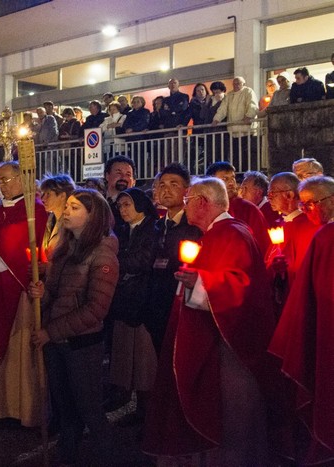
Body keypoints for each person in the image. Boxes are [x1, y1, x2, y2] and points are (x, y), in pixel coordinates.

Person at [143, 177, 274, 466]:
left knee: (232, 415)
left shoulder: (232, 233)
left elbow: (241, 286)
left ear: (202, 202)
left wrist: (201, 281)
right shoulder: (215, 234)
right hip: (214, 338)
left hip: (230, 346)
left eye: (188, 200)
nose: (185, 206)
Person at [27, 188, 119, 466]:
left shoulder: (103, 255)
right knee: (64, 406)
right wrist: (42, 294)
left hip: (81, 344)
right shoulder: (64, 251)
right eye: (67, 206)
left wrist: (50, 332)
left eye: (75, 208)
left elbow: (95, 309)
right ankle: (67, 454)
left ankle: (108, 457)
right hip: (56, 342)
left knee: (89, 408)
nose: (66, 211)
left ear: (93, 216)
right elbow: (57, 293)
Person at [0, 161, 48, 427]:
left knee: (16, 349)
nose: (0, 185)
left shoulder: (35, 210)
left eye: (5, 180)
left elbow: (16, 242)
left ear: (21, 179)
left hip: (16, 288)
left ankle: (15, 407)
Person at [268, 194, 334, 465]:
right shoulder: (320, 233)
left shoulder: (326, 236)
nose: (306, 209)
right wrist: (281, 273)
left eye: (310, 203)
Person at [107, 188, 158, 424]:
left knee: (143, 357)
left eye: (127, 204)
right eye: (120, 206)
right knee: (124, 351)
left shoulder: (151, 229)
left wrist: (116, 262)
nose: (122, 210)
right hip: (125, 299)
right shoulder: (123, 230)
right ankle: (123, 394)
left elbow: (142, 260)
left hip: (142, 300)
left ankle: (145, 407)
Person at [146, 164, 202, 352]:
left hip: (181, 303)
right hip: (156, 306)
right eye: (162, 185)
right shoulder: (157, 225)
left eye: (174, 184)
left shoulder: (194, 226)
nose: (166, 190)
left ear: (187, 190)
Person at [265, 172, 321, 296]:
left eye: (272, 193)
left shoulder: (307, 225)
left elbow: (304, 269)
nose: (269, 198)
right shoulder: (284, 223)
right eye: (268, 194)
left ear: (289, 195)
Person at [206, 161, 270, 257]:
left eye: (233, 178)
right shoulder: (204, 208)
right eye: (225, 179)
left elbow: (263, 245)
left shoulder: (249, 209)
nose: (231, 183)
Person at [211, 77, 259, 168]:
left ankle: (247, 172)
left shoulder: (248, 92)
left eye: (238, 83)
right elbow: (223, 109)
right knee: (236, 155)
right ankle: (238, 172)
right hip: (233, 131)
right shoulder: (229, 95)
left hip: (246, 130)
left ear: (243, 84)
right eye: (234, 84)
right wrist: (216, 119)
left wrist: (249, 116)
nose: (236, 85)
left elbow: (252, 105)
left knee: (247, 155)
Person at [40, 174, 75, 260]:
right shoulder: (51, 219)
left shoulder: (71, 223)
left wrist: (50, 266)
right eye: (43, 194)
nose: (43, 199)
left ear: (62, 196)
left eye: (48, 194)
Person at [103, 156, 136, 229]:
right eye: (118, 173)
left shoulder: (138, 206)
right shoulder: (96, 202)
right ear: (107, 176)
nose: (123, 177)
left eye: (128, 174)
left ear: (134, 181)